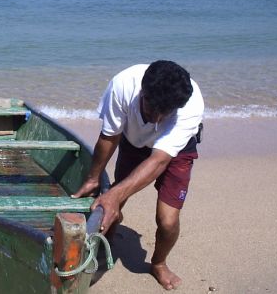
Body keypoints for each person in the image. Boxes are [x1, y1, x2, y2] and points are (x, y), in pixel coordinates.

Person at [72, 60, 203, 291]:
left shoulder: (191, 105)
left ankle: (159, 263)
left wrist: (113, 194)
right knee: (115, 200)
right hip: (132, 142)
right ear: (142, 91)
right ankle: (107, 238)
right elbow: (110, 136)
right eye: (152, 110)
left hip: (176, 152)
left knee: (167, 220)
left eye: (166, 114)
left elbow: (159, 160)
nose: (157, 120)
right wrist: (94, 177)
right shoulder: (123, 85)